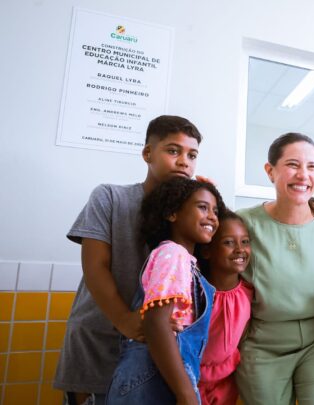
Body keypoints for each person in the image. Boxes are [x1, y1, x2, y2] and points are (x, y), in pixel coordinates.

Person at [55, 115, 204, 405]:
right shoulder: (110, 197)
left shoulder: (191, 212)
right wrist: (124, 320)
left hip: (152, 349)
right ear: (148, 153)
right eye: (173, 150)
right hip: (98, 338)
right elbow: (95, 265)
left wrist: (205, 202)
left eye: (192, 155)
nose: (184, 161)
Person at [234, 132, 314, 404]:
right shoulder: (243, 223)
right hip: (263, 342)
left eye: (312, 166)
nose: (303, 175)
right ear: (270, 171)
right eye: (293, 164)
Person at [106, 177, 225, 404]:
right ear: (172, 213)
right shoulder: (174, 254)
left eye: (216, 211)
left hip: (165, 376)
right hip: (152, 379)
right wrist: (186, 394)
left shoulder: (187, 261)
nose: (212, 216)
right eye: (202, 207)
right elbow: (156, 323)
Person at [197, 210, 254, 405]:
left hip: (227, 382)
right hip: (192, 381)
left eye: (245, 242)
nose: (240, 249)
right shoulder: (197, 294)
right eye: (229, 242)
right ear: (207, 251)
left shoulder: (248, 292)